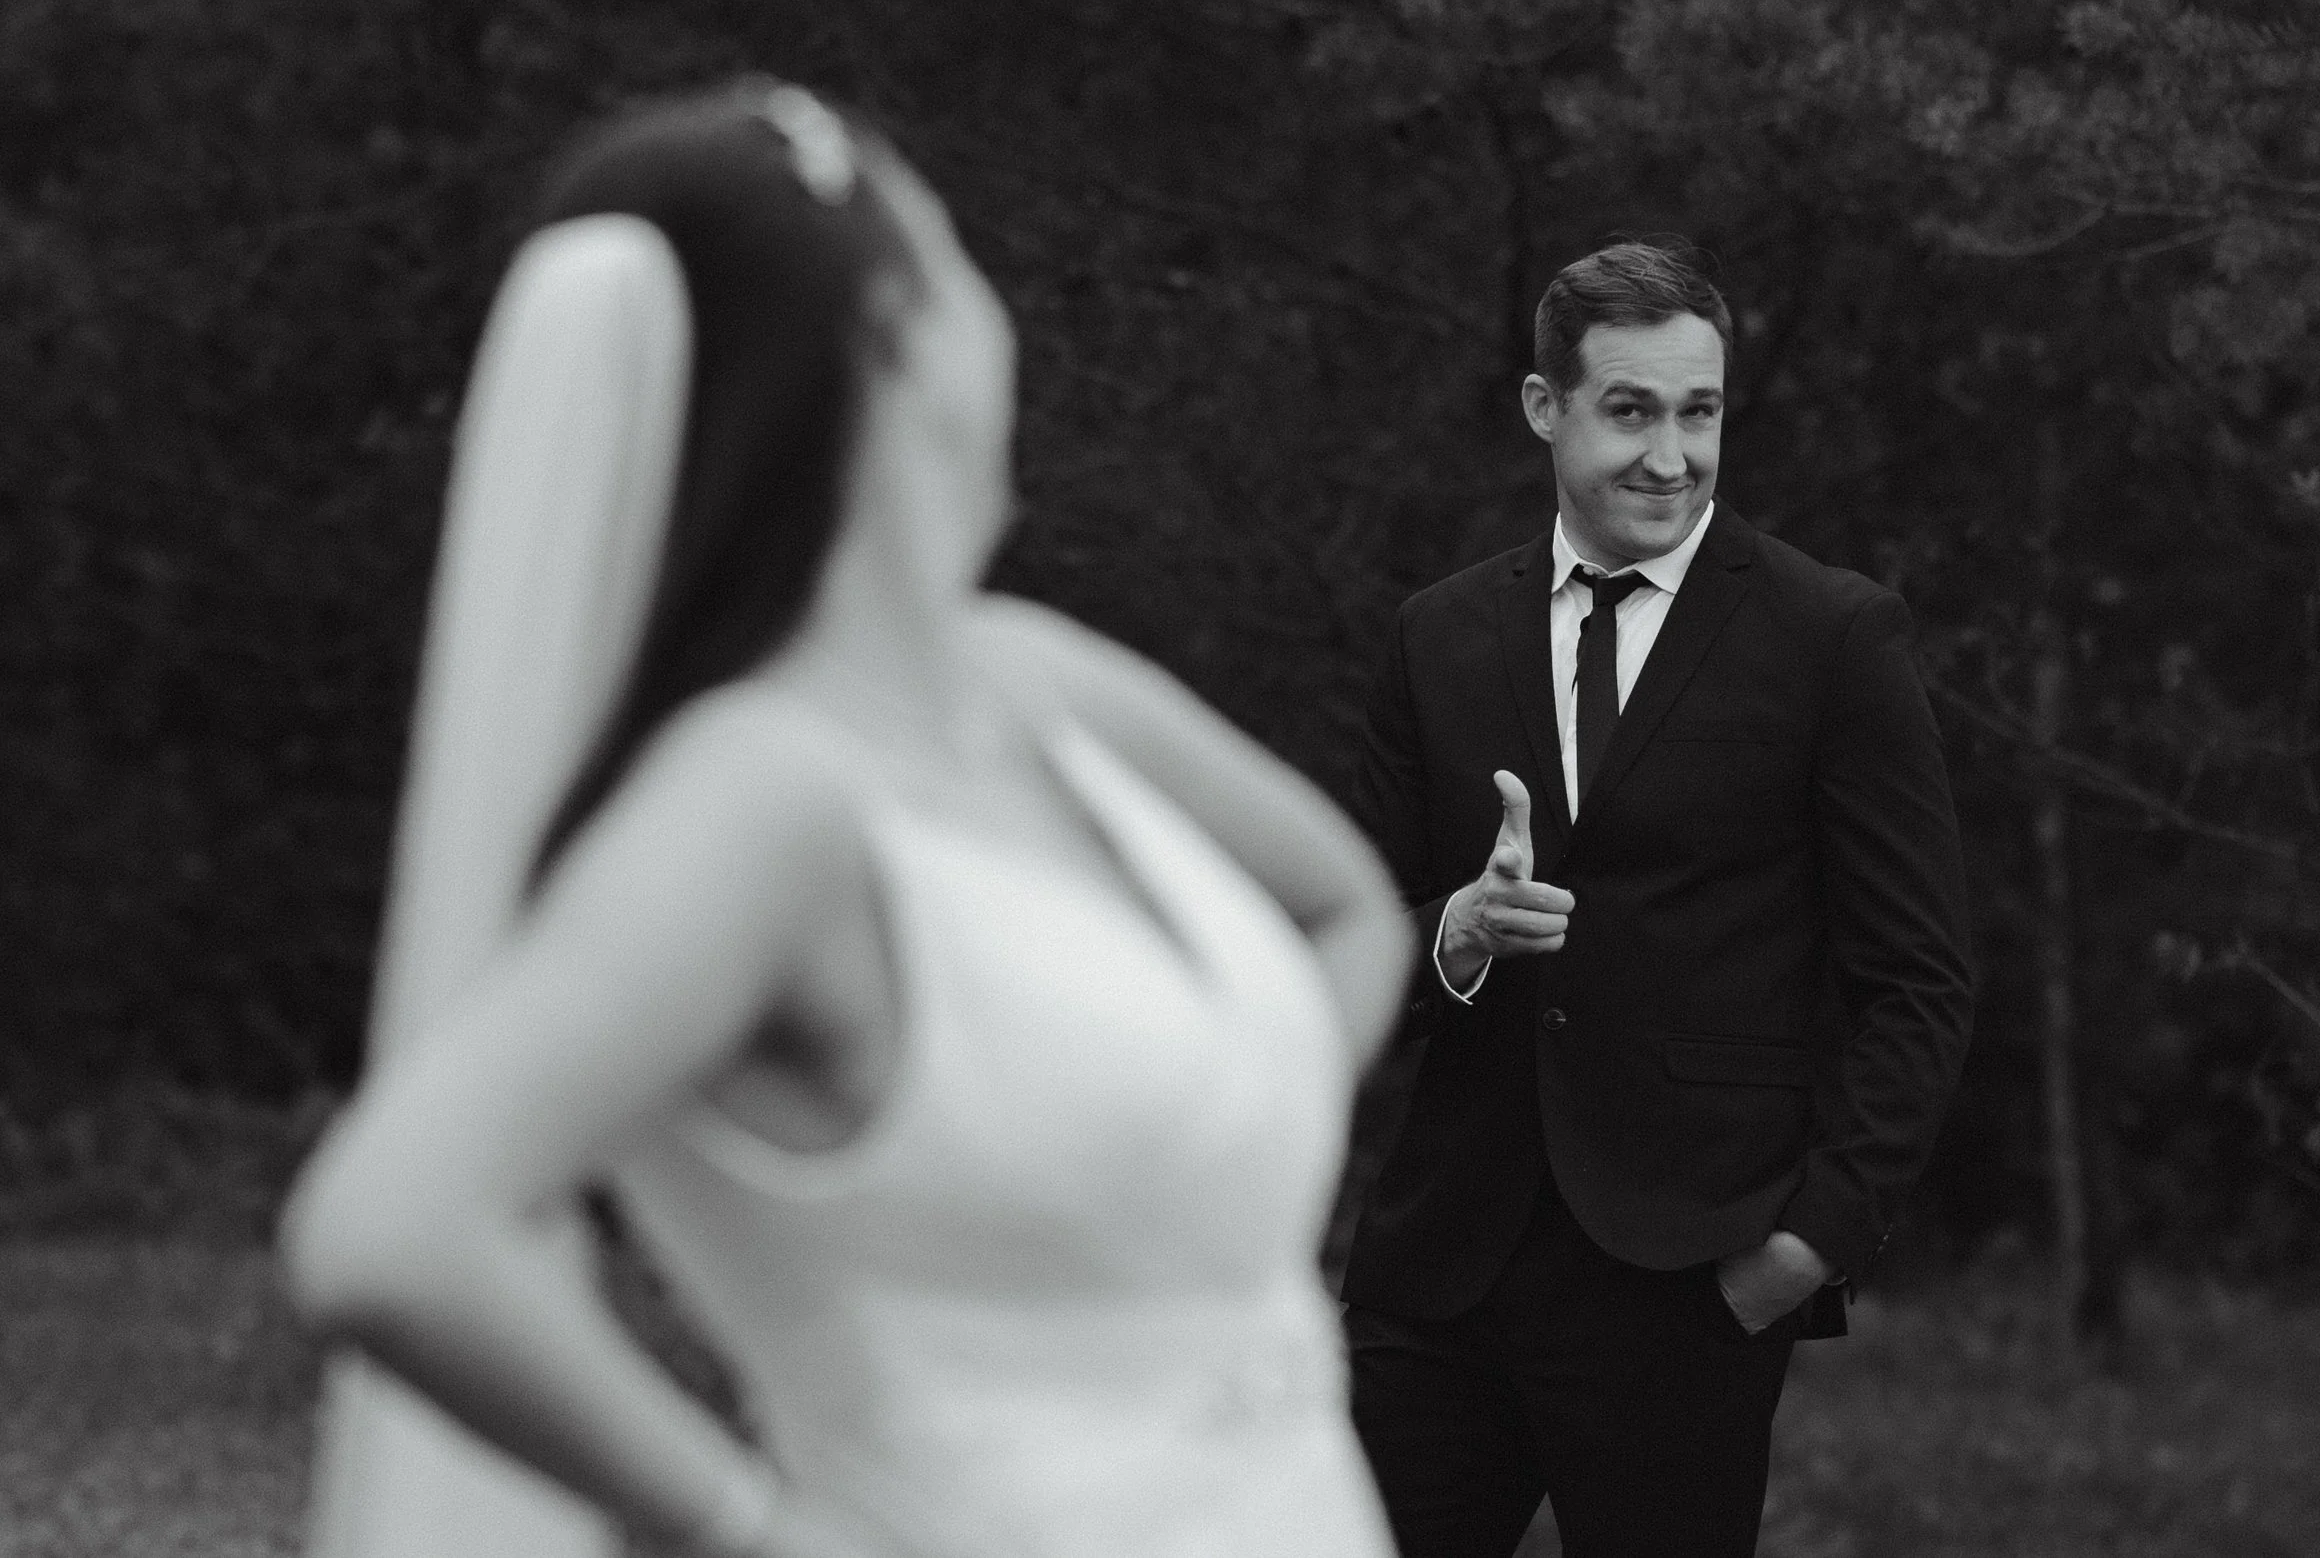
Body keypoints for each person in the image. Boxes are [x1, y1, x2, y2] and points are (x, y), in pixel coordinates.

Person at [281, 79, 1412, 1558]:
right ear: (896, 337)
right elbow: (386, 1231)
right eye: (964, 262)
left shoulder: (1039, 684)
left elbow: (1350, 904)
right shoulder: (762, 802)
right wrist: (755, 1531)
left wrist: (1220, 1134)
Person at [1337, 239, 1975, 1558]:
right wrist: (1458, 929)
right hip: (1442, 1271)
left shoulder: (1832, 637)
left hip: (1693, 1282)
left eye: (1700, 411)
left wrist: (1809, 1243)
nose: (1670, 455)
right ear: (1544, 406)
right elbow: (1354, 932)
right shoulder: (1438, 637)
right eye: (1631, 409)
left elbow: (1918, 976)